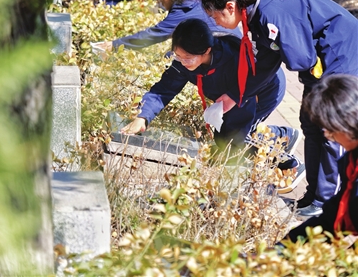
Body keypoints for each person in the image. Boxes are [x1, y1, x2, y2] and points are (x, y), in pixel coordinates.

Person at [201, 0, 358, 217]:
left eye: (215, 16)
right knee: (310, 123)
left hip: (341, 52)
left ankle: (325, 202)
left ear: (230, 7)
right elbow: (266, 63)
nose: (216, 22)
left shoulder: (270, 13)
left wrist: (281, 45)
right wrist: (233, 95)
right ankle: (313, 195)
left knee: (329, 128)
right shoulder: (257, 12)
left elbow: (301, 58)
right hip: (319, 61)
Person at [120, 19, 301, 172]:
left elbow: (240, 115)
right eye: (178, 55)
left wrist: (225, 150)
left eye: (187, 57)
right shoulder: (183, 61)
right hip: (232, 96)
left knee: (236, 140)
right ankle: (285, 135)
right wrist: (143, 117)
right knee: (228, 140)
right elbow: (163, 89)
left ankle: (290, 165)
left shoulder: (233, 63)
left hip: (261, 89)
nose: (182, 62)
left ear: (206, 51)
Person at [283, 74, 358, 242]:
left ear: (347, 123)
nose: (327, 135)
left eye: (329, 129)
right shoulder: (350, 161)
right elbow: (333, 216)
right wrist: (284, 246)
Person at [101, 0, 238, 51]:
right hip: (234, 44)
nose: (159, 1)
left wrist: (115, 44)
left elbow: (152, 35)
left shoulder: (182, 12)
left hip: (226, 51)